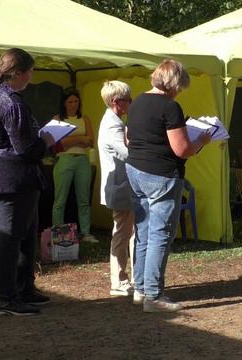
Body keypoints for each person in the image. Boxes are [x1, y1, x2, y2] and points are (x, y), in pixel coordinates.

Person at [0, 48, 56, 316]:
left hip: (1, 177)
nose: (32, 76)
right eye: (30, 71)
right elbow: (27, 149)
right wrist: (47, 141)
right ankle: (5, 298)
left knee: (25, 234)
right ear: (19, 72)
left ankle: (23, 288)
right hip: (10, 180)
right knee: (7, 238)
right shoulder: (11, 102)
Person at [125, 59, 211, 312]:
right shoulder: (170, 107)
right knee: (160, 235)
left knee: (142, 231)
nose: (179, 91)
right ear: (174, 83)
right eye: (180, 87)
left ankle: (140, 289)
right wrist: (203, 140)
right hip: (162, 175)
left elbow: (129, 138)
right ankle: (154, 296)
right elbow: (182, 149)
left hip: (135, 170)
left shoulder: (138, 101)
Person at [97, 81, 135, 297]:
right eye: (127, 99)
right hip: (120, 186)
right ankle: (119, 281)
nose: (130, 103)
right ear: (116, 102)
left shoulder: (116, 121)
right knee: (122, 232)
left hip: (123, 185)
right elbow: (126, 153)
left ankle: (132, 278)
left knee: (129, 232)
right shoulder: (112, 125)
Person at [51, 87, 98, 243]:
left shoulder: (84, 119)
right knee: (60, 199)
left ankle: (85, 232)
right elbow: (56, 145)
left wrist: (70, 140)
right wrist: (79, 139)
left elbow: (90, 141)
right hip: (64, 159)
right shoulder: (58, 118)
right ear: (64, 103)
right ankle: (58, 232)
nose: (73, 104)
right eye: (70, 101)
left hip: (82, 160)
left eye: (76, 101)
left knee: (84, 198)